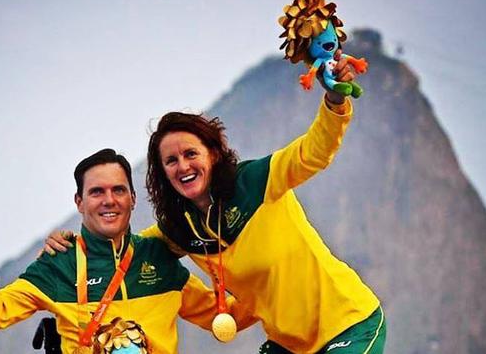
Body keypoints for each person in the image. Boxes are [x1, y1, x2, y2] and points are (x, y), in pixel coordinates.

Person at [46, 53, 386, 353]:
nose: (183, 166)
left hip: (349, 323)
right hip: (290, 344)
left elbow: (313, 153)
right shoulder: (181, 228)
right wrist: (71, 249)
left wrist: (335, 103)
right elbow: (124, 251)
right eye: (171, 161)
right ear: (162, 174)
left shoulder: (255, 181)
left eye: (191, 153)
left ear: (213, 153)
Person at [0, 149, 255, 354]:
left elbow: (224, 316)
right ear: (79, 202)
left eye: (118, 190)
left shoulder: (157, 258)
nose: (109, 200)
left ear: (133, 199)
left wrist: (279, 276)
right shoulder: (60, 263)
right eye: (97, 192)